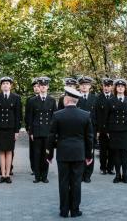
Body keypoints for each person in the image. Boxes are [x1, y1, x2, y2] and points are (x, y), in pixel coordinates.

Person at [47, 86, 94, 218]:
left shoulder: (57, 115)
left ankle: (63, 210)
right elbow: (89, 138)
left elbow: (51, 136)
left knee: (63, 182)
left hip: (63, 154)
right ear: (76, 101)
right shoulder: (85, 115)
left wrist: (49, 154)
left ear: (66, 100)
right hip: (79, 154)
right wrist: (89, 155)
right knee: (76, 182)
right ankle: (75, 210)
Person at [0, 76, 22, 183]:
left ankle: (8, 175)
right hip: (0, 129)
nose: (5, 85)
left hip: (11, 129)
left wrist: (17, 131)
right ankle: (2, 174)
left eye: (7, 83)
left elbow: (18, 116)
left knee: (9, 152)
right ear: (1, 86)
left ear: (11, 85)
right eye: (3, 83)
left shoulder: (16, 97)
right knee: (1, 152)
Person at [25, 77, 57, 183]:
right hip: (37, 131)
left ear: (47, 87)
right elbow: (30, 117)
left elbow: (54, 117)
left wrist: (53, 132)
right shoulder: (32, 101)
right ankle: (37, 176)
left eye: (45, 85)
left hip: (47, 131)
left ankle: (44, 176)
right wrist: (31, 131)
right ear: (38, 86)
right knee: (37, 154)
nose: (43, 87)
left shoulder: (52, 100)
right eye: (41, 85)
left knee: (46, 154)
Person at [106, 79, 127, 183]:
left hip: (126, 131)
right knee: (116, 154)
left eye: (122, 86)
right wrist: (108, 131)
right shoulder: (111, 101)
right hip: (114, 130)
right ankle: (118, 175)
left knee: (125, 153)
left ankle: (125, 175)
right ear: (116, 88)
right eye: (118, 86)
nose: (120, 88)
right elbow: (107, 117)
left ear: (125, 88)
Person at [76, 76, 97, 183]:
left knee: (90, 151)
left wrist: (97, 131)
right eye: (82, 84)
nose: (84, 86)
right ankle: (80, 174)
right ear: (79, 86)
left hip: (91, 130)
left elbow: (97, 116)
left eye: (86, 85)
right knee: (79, 152)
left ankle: (88, 174)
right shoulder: (76, 98)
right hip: (78, 130)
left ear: (90, 86)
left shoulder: (95, 98)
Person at [95, 78, 114, 175]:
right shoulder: (98, 98)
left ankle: (110, 168)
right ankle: (103, 168)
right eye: (104, 86)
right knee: (103, 150)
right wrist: (98, 130)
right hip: (102, 129)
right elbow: (97, 115)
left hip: (112, 130)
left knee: (112, 150)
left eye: (108, 86)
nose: (106, 88)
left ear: (111, 87)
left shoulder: (114, 98)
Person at [28, 77, 41, 176]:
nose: (36, 88)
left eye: (38, 86)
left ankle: (42, 168)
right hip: (33, 128)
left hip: (44, 129)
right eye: (34, 86)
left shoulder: (49, 99)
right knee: (33, 150)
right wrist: (29, 128)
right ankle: (34, 168)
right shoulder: (30, 100)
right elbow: (28, 116)